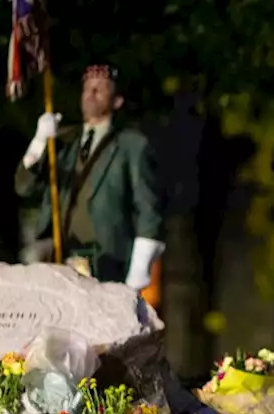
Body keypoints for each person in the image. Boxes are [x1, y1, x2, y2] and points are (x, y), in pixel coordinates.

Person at [15, 65, 164, 289]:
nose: (90, 95)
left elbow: (148, 208)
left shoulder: (131, 145)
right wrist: (39, 142)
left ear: (117, 101)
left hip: (107, 259)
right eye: (86, 89)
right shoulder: (62, 141)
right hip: (58, 254)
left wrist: (139, 268)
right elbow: (24, 187)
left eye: (99, 90)